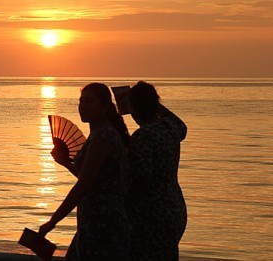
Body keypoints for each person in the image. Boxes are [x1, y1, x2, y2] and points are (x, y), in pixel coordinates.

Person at [38, 83, 131, 260]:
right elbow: (93, 180)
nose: (83, 106)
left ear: (104, 107)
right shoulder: (98, 134)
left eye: (90, 101)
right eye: (81, 101)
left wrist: (53, 221)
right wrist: (66, 163)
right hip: (94, 220)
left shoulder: (103, 136)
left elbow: (84, 185)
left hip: (104, 221)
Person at [126, 81, 188, 260]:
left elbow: (141, 180)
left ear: (133, 108)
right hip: (174, 207)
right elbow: (180, 124)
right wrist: (154, 102)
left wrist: (125, 208)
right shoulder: (171, 128)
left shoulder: (142, 136)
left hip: (151, 213)